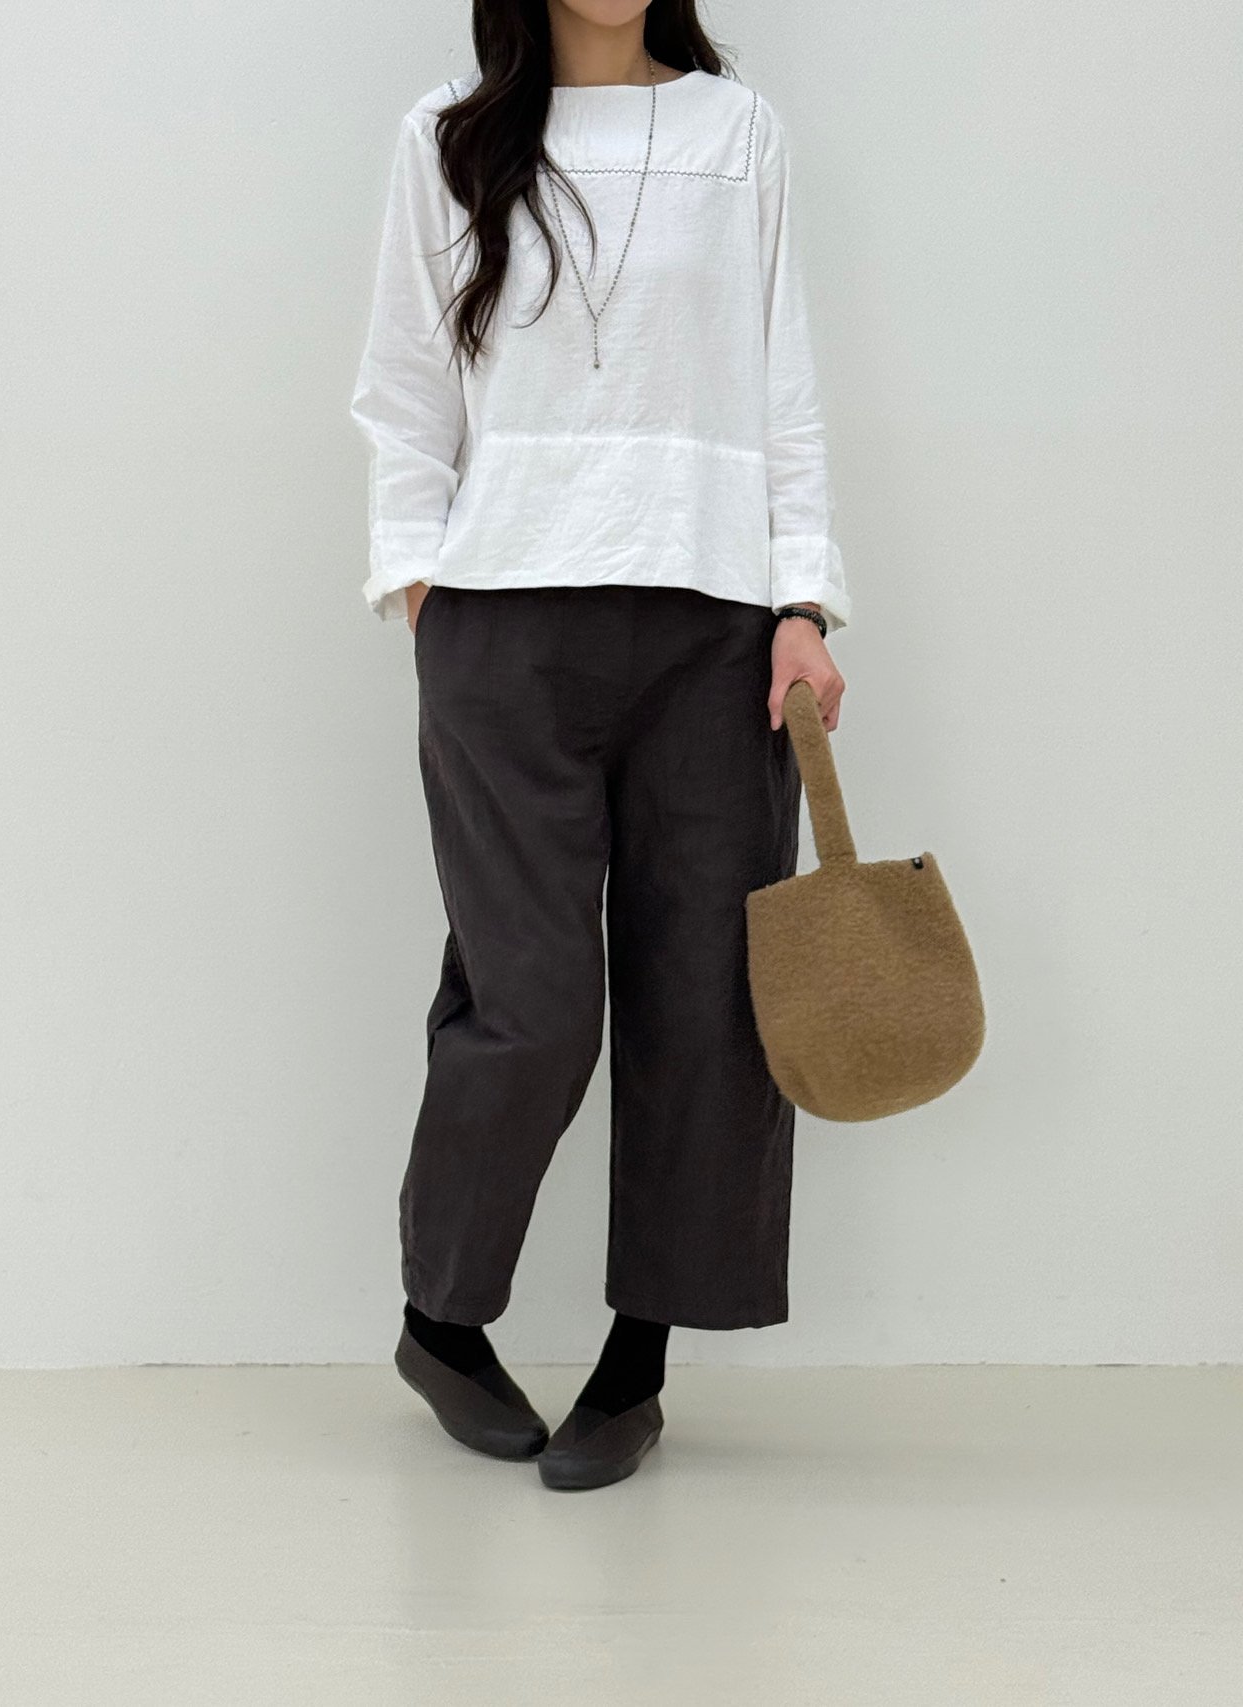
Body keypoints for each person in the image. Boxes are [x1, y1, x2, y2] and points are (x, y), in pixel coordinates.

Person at [349, 0, 851, 1492]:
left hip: (714, 621)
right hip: (502, 621)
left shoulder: (735, 131)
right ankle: (441, 1322)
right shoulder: (450, 137)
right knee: (536, 1002)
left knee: (704, 998)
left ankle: (637, 1366)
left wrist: (803, 600)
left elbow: (784, 381)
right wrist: (420, 574)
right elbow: (403, 381)